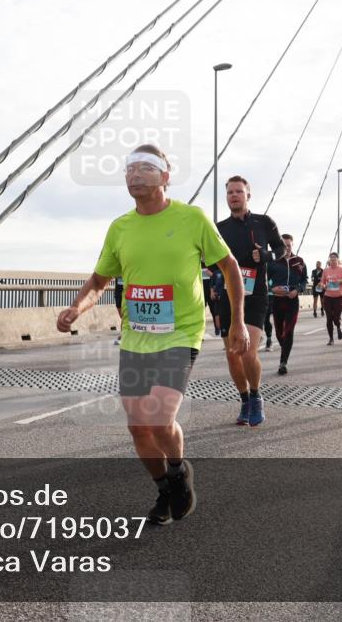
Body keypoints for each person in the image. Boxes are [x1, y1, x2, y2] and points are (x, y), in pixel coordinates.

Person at [57, 144, 249, 525]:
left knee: (160, 420)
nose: (135, 174)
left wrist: (238, 321)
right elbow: (100, 279)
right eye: (129, 169)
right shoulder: (120, 227)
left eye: (145, 168)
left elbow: (229, 267)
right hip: (136, 337)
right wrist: (78, 307)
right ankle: (166, 487)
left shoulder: (192, 218)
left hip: (180, 333)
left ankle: (178, 468)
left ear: (165, 176)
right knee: (138, 427)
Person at [215, 175, 285, 426]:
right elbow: (208, 260)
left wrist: (265, 255)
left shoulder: (263, 223)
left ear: (248, 195)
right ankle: (244, 399)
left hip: (255, 295)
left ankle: (256, 396)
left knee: (247, 351)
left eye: (239, 192)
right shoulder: (219, 228)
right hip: (227, 295)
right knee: (232, 355)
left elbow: (281, 249)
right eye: (230, 192)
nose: (234, 195)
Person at [267, 233, 307, 375]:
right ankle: (286, 349)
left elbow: (304, 280)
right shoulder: (274, 262)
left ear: (292, 245)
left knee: (289, 331)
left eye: (289, 245)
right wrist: (272, 289)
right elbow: (265, 279)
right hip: (277, 300)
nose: (287, 248)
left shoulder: (300, 261)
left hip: (292, 301)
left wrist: (297, 290)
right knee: (279, 333)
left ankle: (283, 362)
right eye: (284, 245)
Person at [320, 252, 342, 345]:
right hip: (328, 296)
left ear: (337, 260)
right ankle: (331, 339)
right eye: (331, 259)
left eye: (334, 259)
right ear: (329, 260)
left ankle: (339, 327)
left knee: (336, 317)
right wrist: (322, 285)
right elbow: (322, 282)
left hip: (338, 296)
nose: (332, 261)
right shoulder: (325, 270)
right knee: (329, 318)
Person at [202, 264, 221, 337]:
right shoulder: (196, 261)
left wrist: (212, 275)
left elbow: (220, 275)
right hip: (200, 291)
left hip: (212, 290)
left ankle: (218, 329)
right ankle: (200, 333)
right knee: (201, 313)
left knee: (214, 311)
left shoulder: (212, 262)